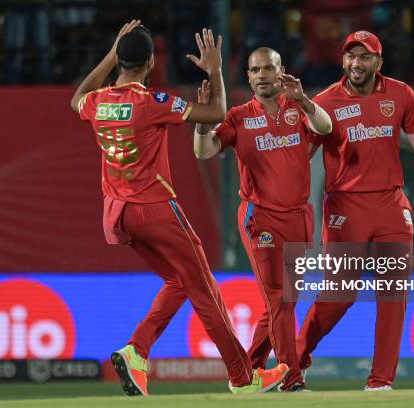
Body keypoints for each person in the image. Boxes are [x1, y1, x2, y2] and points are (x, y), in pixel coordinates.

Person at [70, 20, 288, 396]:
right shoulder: (152, 103)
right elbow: (217, 112)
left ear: (119, 59)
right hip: (155, 210)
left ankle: (137, 352)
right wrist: (216, 69)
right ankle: (243, 377)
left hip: (117, 214)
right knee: (205, 290)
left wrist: (110, 54)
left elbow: (77, 98)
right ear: (152, 62)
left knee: (180, 281)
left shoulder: (98, 103)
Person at [297, 30, 414, 391]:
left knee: (393, 292)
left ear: (378, 62)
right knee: (340, 295)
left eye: (364, 57)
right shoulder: (324, 102)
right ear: (343, 61)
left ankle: (380, 382)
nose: (356, 64)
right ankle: (297, 358)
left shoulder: (400, 93)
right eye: (350, 57)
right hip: (345, 208)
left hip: (391, 205)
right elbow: (299, 159)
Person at [193, 47, 333, 392]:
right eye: (254, 70)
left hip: (300, 216)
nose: (261, 76)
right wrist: (202, 121)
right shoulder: (239, 116)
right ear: (249, 77)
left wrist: (305, 101)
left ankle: (249, 371)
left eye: (267, 68)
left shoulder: (297, 109)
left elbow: (326, 127)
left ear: (280, 70)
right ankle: (292, 378)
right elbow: (204, 150)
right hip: (261, 217)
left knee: (284, 301)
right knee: (279, 298)